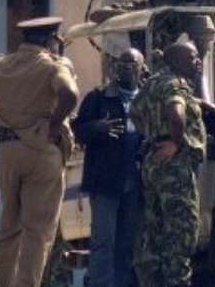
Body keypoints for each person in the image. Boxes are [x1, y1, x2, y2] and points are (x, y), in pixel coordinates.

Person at [0, 16, 79, 287]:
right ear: (50, 39)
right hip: (42, 150)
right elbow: (69, 94)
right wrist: (54, 125)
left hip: (8, 150)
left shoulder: (0, 66)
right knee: (38, 232)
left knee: (8, 228)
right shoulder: (52, 66)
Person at [130, 42, 206, 287]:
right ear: (176, 61)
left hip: (154, 162)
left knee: (155, 232)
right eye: (192, 57)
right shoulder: (175, 84)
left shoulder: (152, 83)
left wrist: (152, 136)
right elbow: (176, 114)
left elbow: (134, 111)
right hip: (174, 166)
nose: (197, 61)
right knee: (181, 234)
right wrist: (177, 142)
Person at [72, 48, 145, 287]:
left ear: (141, 67)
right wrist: (97, 127)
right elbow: (78, 131)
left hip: (136, 182)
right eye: (122, 63)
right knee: (103, 241)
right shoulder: (99, 97)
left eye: (132, 63)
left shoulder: (147, 98)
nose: (126, 67)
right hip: (106, 182)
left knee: (126, 242)